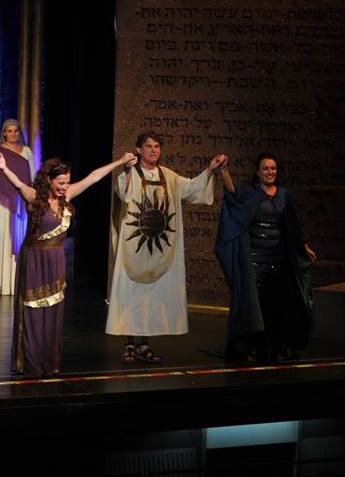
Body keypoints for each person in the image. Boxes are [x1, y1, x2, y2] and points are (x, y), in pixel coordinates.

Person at [0, 152, 137, 376]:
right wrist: (3, 166)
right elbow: (17, 182)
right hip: (35, 261)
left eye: (67, 182)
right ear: (48, 180)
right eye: (60, 183)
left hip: (56, 261)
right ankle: (32, 361)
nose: (65, 187)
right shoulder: (34, 197)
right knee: (33, 311)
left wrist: (120, 162)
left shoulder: (67, 196)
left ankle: (50, 361)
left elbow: (94, 177)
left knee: (53, 311)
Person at [107, 131, 228, 363]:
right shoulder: (131, 173)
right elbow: (123, 193)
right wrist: (128, 170)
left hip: (157, 247)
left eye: (157, 146)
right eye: (149, 146)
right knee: (131, 293)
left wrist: (210, 170)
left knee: (150, 297)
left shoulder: (168, 176)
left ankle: (144, 344)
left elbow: (192, 189)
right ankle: (129, 344)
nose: (154, 150)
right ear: (139, 149)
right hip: (134, 247)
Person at [214, 153, 316, 362]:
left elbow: (292, 224)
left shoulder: (283, 195)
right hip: (255, 259)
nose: (270, 172)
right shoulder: (249, 192)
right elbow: (233, 195)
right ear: (257, 172)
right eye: (266, 168)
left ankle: (273, 345)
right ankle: (249, 346)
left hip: (278, 259)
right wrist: (224, 170)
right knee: (254, 305)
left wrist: (303, 246)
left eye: (273, 168)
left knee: (276, 305)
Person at [0, 119, 36, 295]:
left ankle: (16, 281)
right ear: (4, 133)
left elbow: (31, 175)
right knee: (2, 237)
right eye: (9, 131)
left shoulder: (27, 151)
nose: (13, 134)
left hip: (20, 200)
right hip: (1, 200)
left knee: (18, 237)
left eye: (16, 131)